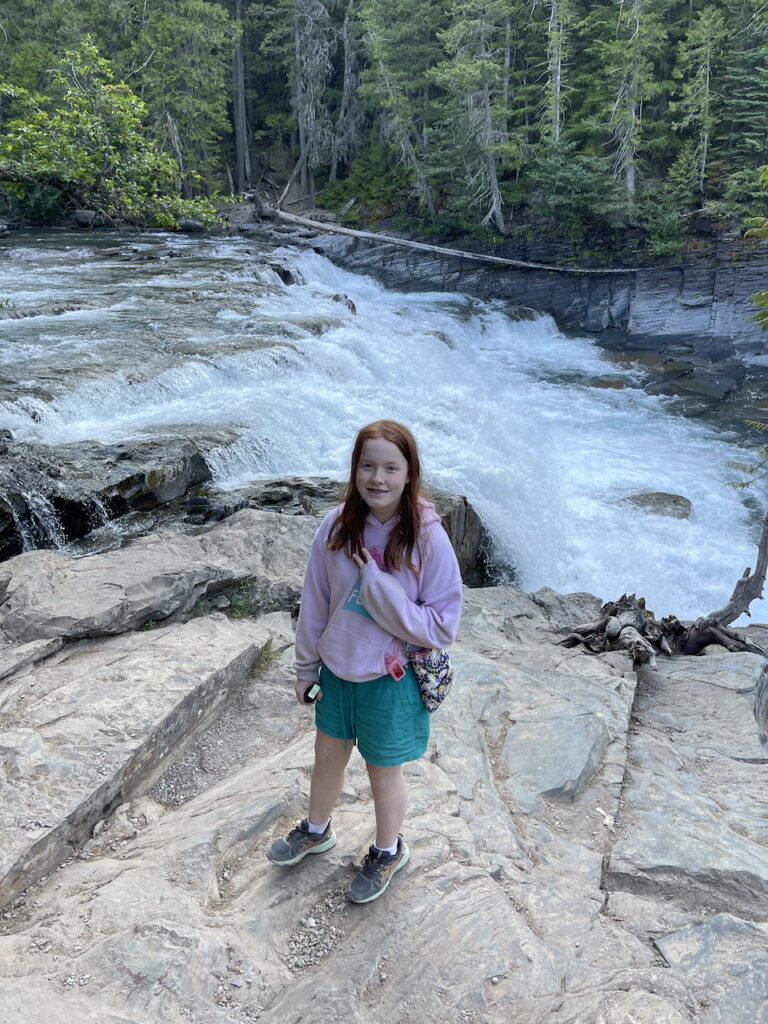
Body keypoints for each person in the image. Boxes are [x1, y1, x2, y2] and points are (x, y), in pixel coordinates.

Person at [266, 419, 463, 903]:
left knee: (382, 770)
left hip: (391, 678)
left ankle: (387, 849)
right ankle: (316, 830)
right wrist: (305, 668)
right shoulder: (334, 528)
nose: (378, 478)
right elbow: (315, 603)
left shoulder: (428, 538)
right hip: (336, 671)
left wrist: (380, 589)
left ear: (409, 473)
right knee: (327, 757)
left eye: (390, 468)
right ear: (354, 470)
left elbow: (443, 625)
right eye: (368, 466)